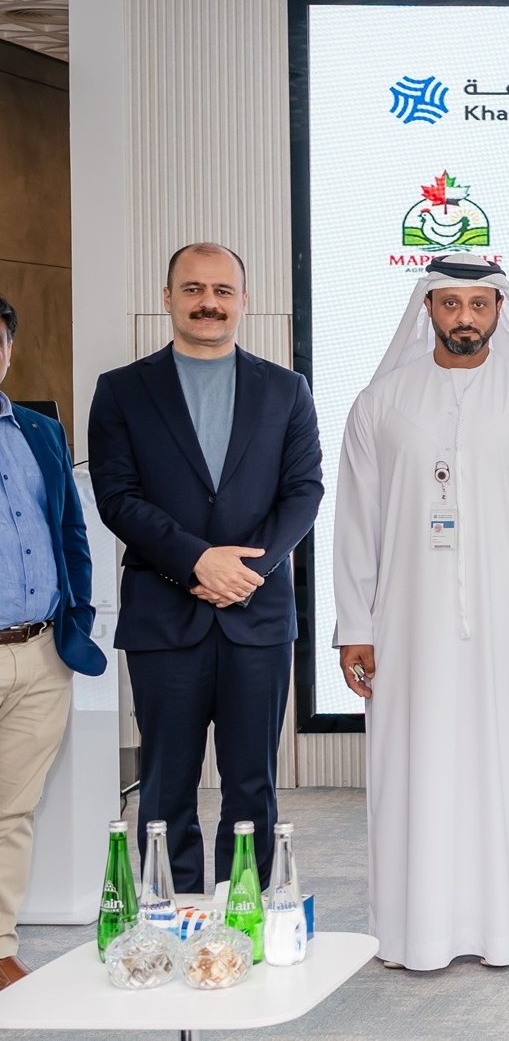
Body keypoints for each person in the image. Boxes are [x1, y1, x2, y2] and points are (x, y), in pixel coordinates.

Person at [332, 258, 509, 970]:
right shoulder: (381, 402)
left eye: (478, 304)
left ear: (499, 310)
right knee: (411, 773)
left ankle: (506, 930)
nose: (464, 317)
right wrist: (355, 624)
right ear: (428, 309)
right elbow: (356, 520)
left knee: (505, 771)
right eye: (450, 304)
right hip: (405, 627)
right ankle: (413, 933)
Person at [88, 242, 322, 895]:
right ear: (168, 298)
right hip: (164, 616)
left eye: (222, 290)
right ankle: (170, 920)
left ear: (244, 301)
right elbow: (117, 497)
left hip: (258, 616)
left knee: (253, 784)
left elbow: (303, 491)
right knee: (165, 784)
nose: (208, 302)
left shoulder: (286, 389)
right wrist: (195, 560)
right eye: (193, 289)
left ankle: (245, 917)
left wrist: (245, 570)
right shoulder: (122, 391)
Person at [0, 295, 104, 990]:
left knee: (11, 812)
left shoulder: (39, 432)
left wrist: (78, 617)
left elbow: (71, 533)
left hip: (40, 654)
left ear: (9, 351)